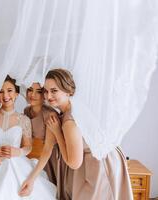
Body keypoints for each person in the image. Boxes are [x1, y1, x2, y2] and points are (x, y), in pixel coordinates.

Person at [20, 68, 133, 200]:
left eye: (54, 91)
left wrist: (57, 132)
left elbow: (74, 163)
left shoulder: (69, 121)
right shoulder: (69, 108)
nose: (48, 96)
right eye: (46, 91)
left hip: (99, 162)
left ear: (68, 91)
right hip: (93, 158)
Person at [0, 76, 56, 200]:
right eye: (1, 92)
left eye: (9, 90)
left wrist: (18, 151)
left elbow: (28, 146)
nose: (5, 95)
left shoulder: (23, 119)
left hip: (17, 163)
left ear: (17, 93)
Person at [24, 82, 58, 184]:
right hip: (36, 157)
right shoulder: (27, 111)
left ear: (44, 95)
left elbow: (48, 149)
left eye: (38, 92)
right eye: (30, 90)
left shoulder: (50, 114)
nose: (32, 95)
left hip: (52, 158)